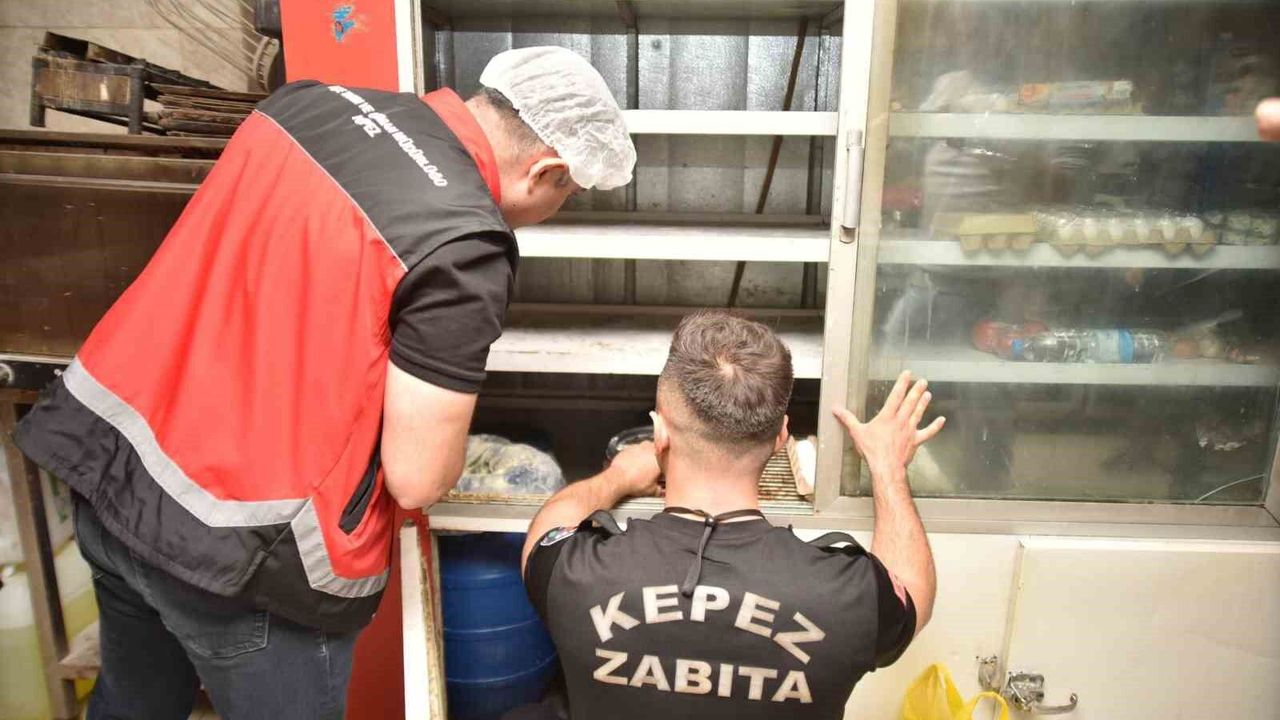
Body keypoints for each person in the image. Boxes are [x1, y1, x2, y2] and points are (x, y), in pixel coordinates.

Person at [13, 47, 633, 720]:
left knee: (132, 706)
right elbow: (418, 479)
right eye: (568, 194)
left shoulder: (307, 106)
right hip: (240, 552)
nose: (558, 206)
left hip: (114, 470)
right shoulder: (464, 245)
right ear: (546, 170)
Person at [521, 310, 944, 720]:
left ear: (659, 433)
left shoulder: (572, 574)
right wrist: (887, 467)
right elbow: (914, 593)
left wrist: (619, 476)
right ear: (781, 437)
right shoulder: (849, 596)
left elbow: (548, 526)